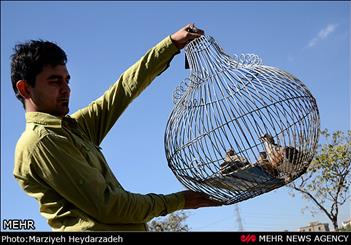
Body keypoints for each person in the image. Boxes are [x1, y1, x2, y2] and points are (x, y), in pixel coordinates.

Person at [11, 24, 221, 231]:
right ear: (25, 88)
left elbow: (122, 90)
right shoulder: (41, 141)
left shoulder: (74, 128)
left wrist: (171, 45)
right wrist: (180, 201)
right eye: (55, 81)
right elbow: (109, 206)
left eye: (67, 80)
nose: (66, 89)